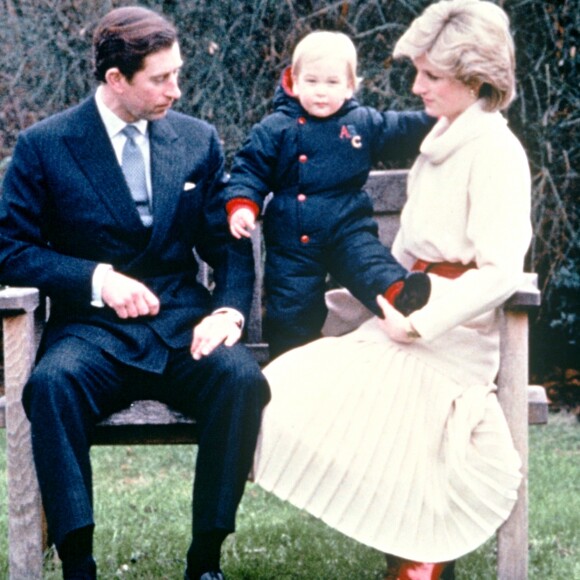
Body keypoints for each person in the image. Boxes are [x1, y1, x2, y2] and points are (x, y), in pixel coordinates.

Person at [252, 1, 531, 578]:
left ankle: (421, 557)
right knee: (277, 387)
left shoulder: (497, 152)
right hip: (401, 321)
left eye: (430, 75)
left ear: (473, 80)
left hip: (455, 337)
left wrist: (422, 322)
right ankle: (403, 535)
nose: (416, 86)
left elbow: (501, 271)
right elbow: (400, 259)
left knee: (406, 416)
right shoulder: (442, 142)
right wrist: (348, 311)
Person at [0, 6, 269, 580]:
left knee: (241, 380)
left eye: (177, 73)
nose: (176, 88)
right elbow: (10, 248)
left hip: (181, 325)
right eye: (161, 77)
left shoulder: (197, 139)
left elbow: (227, 246)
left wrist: (227, 312)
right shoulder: (46, 145)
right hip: (91, 332)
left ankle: (206, 562)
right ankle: (78, 562)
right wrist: (96, 279)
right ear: (116, 80)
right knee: (50, 386)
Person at [224, 31, 435, 358]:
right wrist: (243, 206)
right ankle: (288, 367)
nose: (321, 91)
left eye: (332, 83)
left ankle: (399, 293)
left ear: (351, 86)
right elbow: (249, 169)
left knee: (370, 263)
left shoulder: (362, 123)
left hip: (347, 226)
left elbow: (406, 129)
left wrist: (449, 116)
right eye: (312, 81)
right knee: (291, 307)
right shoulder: (275, 127)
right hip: (294, 239)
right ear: (294, 81)